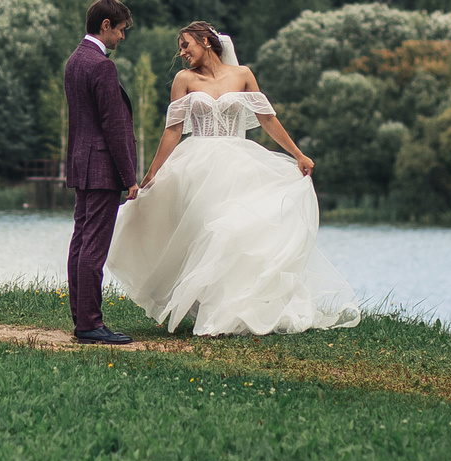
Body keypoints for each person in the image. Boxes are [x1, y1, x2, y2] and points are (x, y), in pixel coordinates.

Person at [108, 21, 360, 336]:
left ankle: (228, 313)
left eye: (186, 45)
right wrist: (153, 172)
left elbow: (267, 119)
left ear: (205, 40)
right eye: (181, 48)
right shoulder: (183, 80)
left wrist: (298, 154)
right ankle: (211, 310)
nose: (183, 53)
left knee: (231, 233)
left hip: (238, 163)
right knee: (206, 232)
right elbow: (173, 130)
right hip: (197, 165)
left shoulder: (242, 75)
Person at [61, 0, 139, 346]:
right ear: (105, 25)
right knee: (93, 246)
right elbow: (113, 126)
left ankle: (83, 319)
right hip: (103, 167)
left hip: (81, 162)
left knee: (80, 242)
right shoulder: (102, 67)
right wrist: (130, 177)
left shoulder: (75, 60)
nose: (122, 36)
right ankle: (90, 323)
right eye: (121, 29)